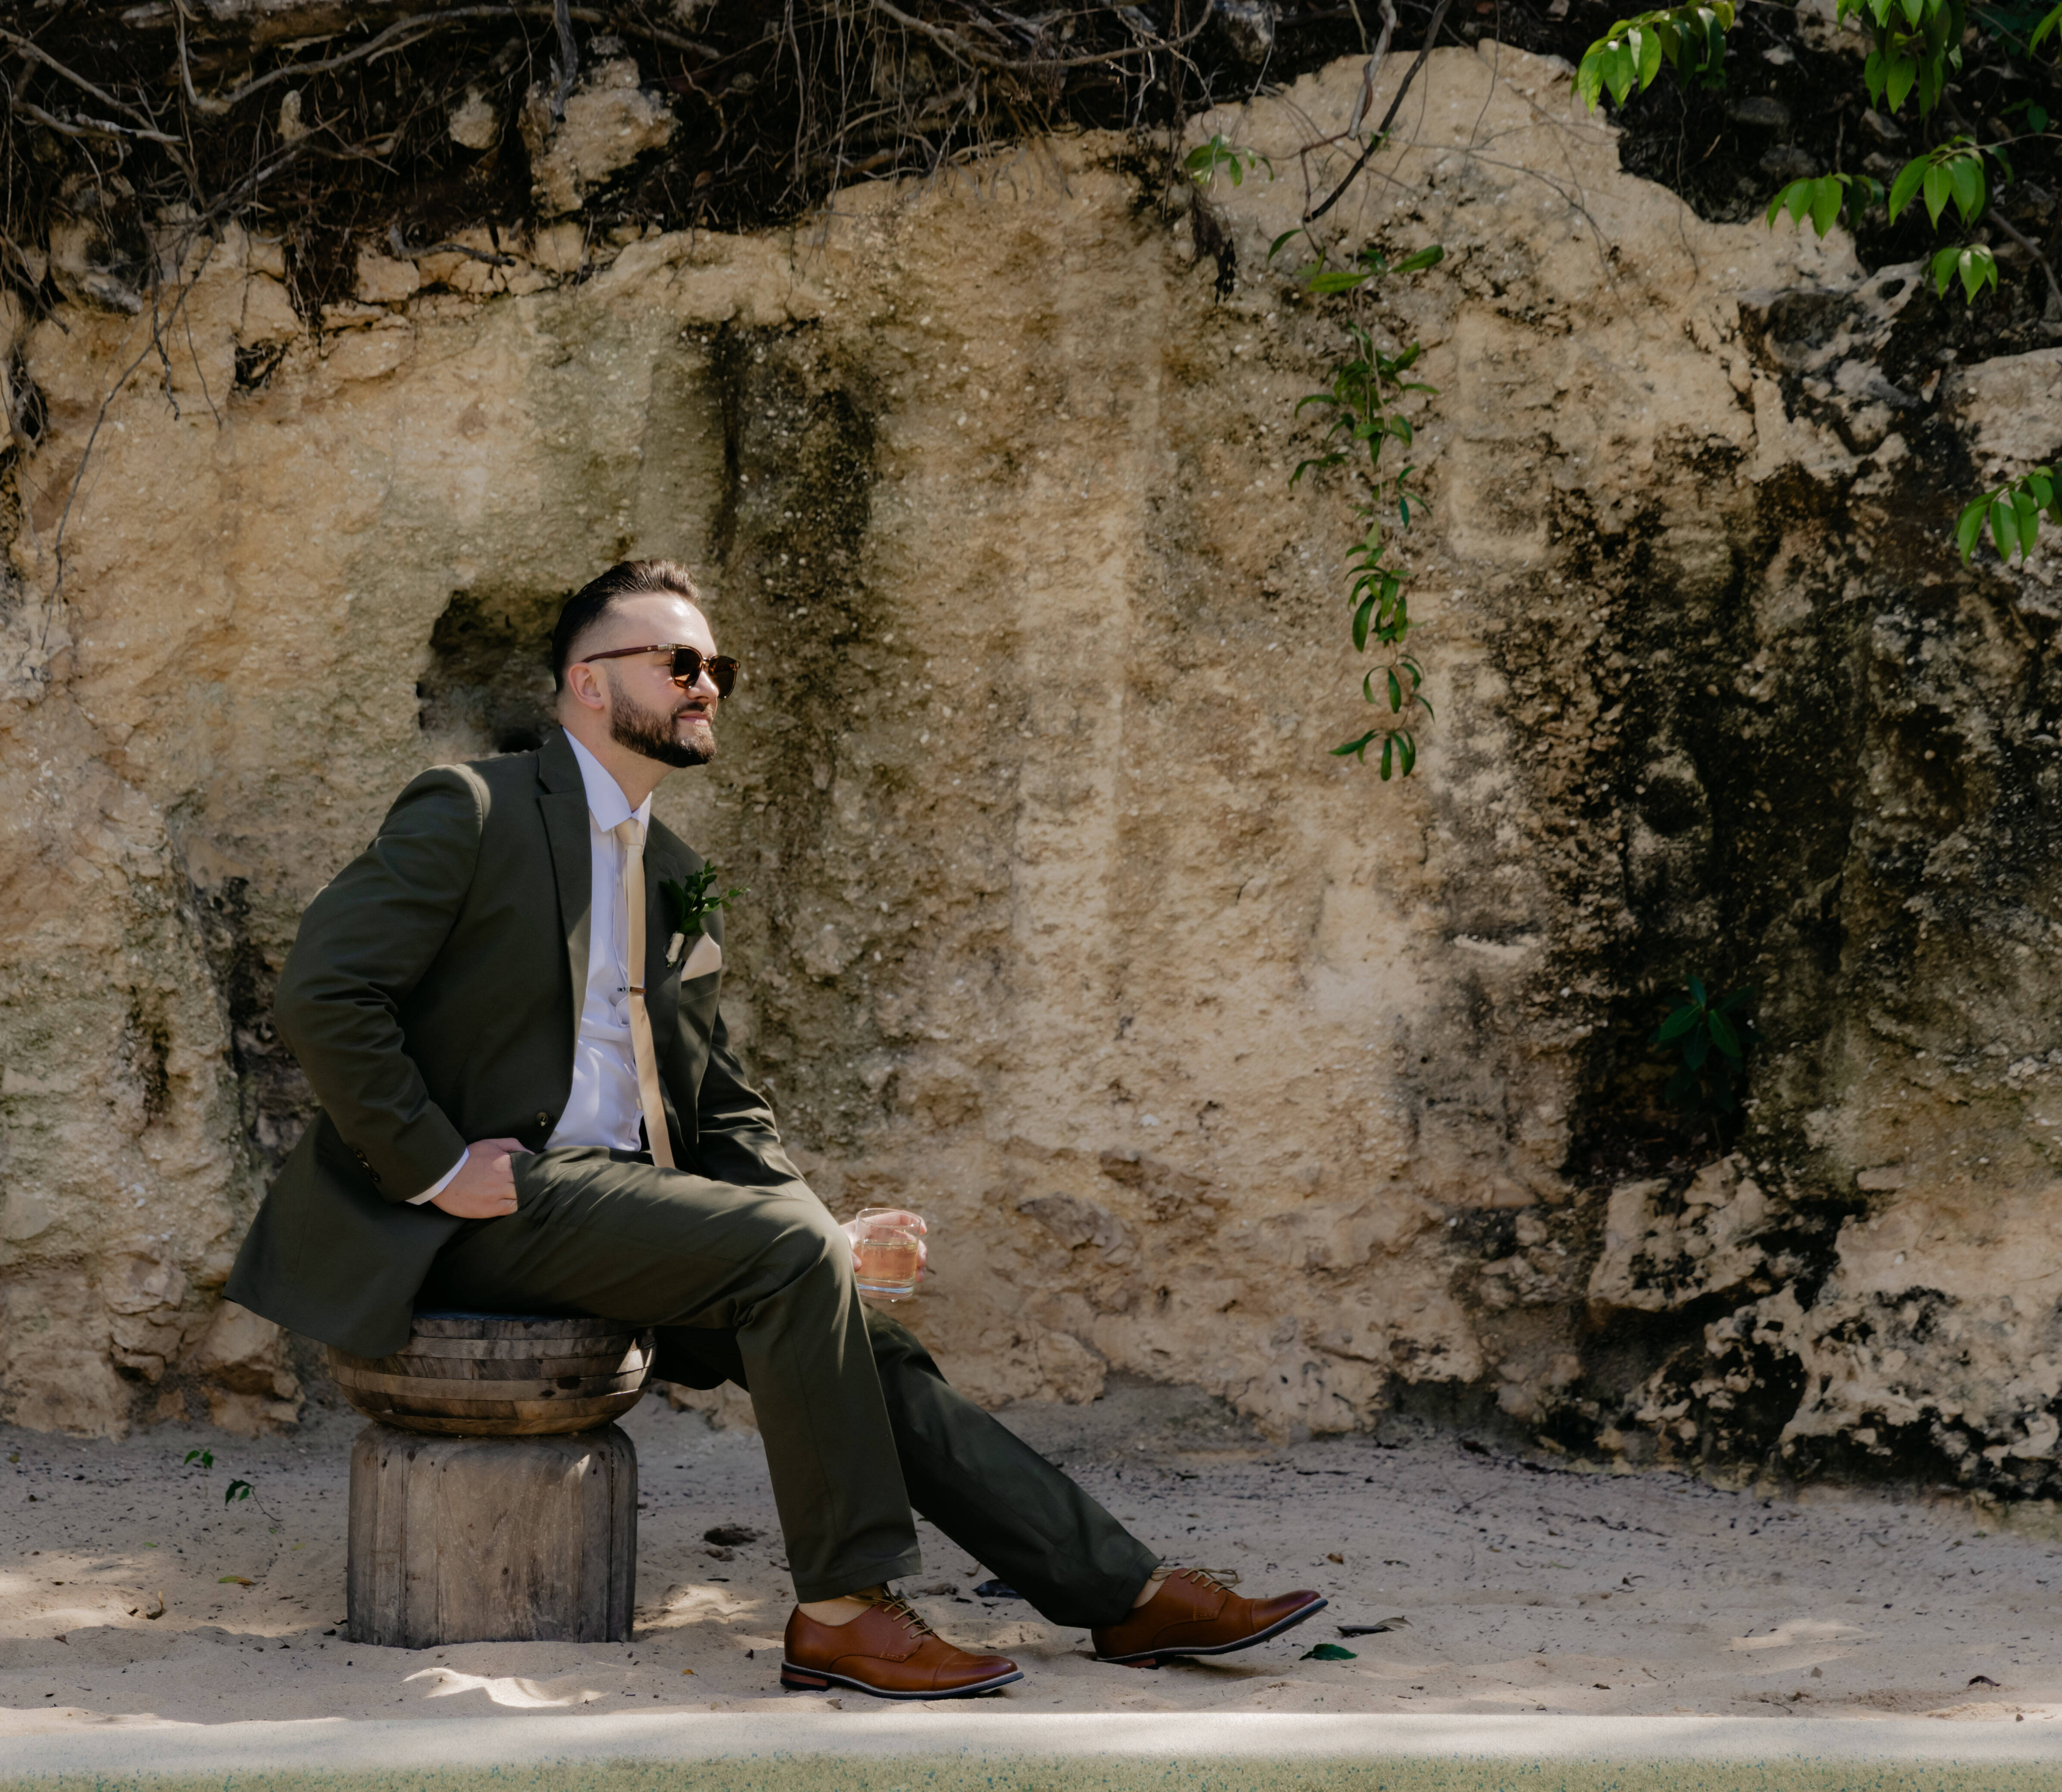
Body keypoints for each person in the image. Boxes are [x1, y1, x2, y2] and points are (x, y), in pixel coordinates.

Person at [226, 559, 1324, 1697]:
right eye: (681, 662)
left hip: (623, 1213)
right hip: (479, 1212)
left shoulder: (685, 878)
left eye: (719, 669)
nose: (708, 687)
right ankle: (846, 1608)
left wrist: (823, 1236)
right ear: (587, 684)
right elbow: (325, 990)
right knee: (794, 1259)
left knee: (855, 1324)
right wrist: (439, 1165)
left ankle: (1124, 1594)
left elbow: (719, 1098)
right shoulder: (476, 809)